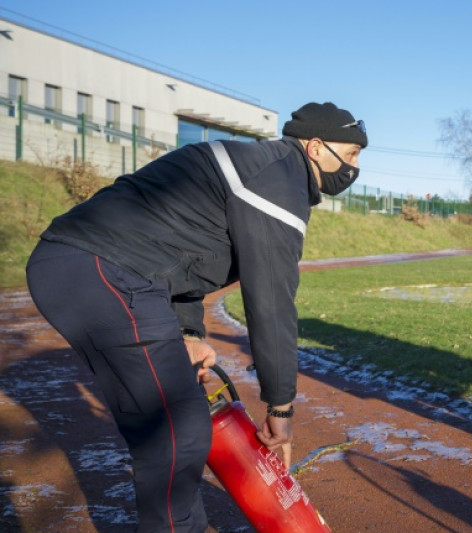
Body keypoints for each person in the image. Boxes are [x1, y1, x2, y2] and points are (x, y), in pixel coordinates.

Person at [25, 102, 367, 532]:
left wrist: (188, 330)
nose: (355, 168)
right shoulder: (278, 178)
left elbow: (182, 252)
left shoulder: (264, 166)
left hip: (103, 268)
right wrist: (280, 406)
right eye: (351, 155)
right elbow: (273, 300)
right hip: (100, 266)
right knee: (177, 433)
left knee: (174, 425)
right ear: (315, 147)